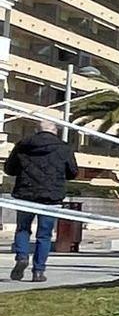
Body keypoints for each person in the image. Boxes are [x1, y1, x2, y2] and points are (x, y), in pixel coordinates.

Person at [6, 118, 78, 283]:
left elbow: (10, 169)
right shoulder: (63, 148)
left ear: (37, 131)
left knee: (23, 229)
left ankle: (22, 257)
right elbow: (73, 172)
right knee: (44, 235)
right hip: (51, 196)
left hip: (26, 193)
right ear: (55, 131)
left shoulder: (23, 145)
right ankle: (38, 271)